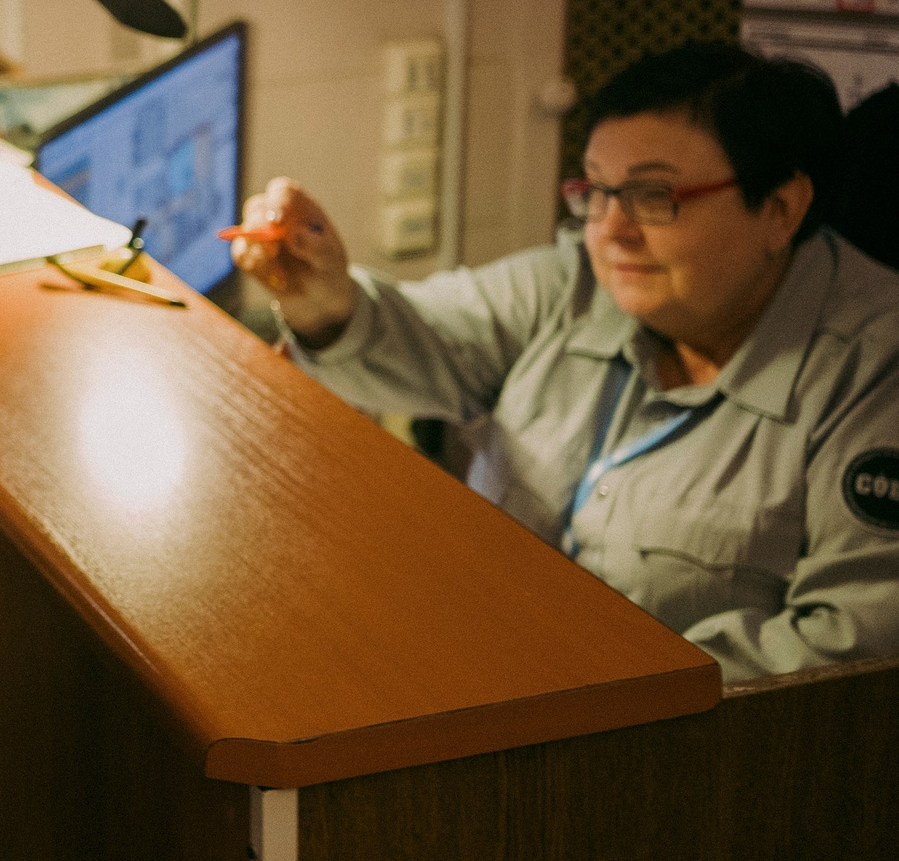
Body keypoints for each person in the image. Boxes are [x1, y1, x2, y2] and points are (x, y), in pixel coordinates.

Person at [232, 42, 899, 681]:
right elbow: (425, 332)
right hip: (474, 677)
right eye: (598, 193)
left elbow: (844, 651)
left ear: (780, 208)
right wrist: (324, 298)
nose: (610, 231)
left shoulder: (875, 368)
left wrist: (579, 681)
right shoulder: (577, 282)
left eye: (652, 196)